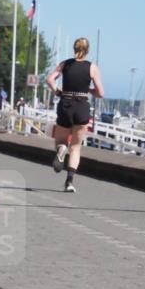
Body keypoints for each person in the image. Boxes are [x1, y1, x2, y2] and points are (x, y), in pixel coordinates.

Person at [45, 37, 104, 192]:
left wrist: (57, 91)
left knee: (60, 141)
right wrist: (89, 90)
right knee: (76, 147)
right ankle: (69, 182)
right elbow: (101, 93)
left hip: (65, 104)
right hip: (82, 106)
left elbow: (50, 80)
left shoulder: (65, 64)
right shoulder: (92, 68)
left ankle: (62, 149)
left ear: (74, 48)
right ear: (87, 50)